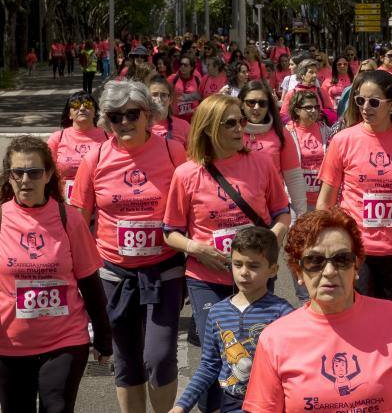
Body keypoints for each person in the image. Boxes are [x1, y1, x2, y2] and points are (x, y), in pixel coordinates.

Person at [163, 95, 290, 412]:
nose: (240, 128)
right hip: (207, 278)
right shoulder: (186, 174)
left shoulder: (260, 163)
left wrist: (270, 242)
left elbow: (282, 214)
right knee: (217, 353)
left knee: (257, 350)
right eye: (230, 123)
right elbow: (170, 233)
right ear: (208, 128)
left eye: (242, 121)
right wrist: (196, 248)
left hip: (254, 274)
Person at [0, 136, 112, 412]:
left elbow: (90, 283)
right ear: (9, 177)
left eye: (34, 172)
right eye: (18, 172)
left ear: (47, 175)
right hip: (10, 344)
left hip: (65, 340)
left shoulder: (68, 219)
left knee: (56, 407)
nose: (25, 179)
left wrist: (104, 337)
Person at [243, 209, 392, 412]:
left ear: (356, 267)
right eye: (314, 261)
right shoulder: (275, 340)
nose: (329, 272)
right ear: (298, 271)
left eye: (341, 259)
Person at [71, 80, 187, 413]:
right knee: (126, 361)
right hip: (113, 274)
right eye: (114, 116)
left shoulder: (172, 152)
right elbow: (79, 221)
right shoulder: (94, 159)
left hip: (163, 269)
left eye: (132, 114)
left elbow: (191, 205)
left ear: (147, 115)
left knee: (159, 356)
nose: (124, 122)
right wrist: (80, 278)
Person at [316, 70, 392, 303]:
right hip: (356, 250)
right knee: (360, 322)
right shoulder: (343, 140)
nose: (365, 107)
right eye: (360, 100)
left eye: (374, 102)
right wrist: (326, 243)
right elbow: (325, 201)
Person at [169, 227, 293, 413]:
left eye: (253, 266)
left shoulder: (284, 314)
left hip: (270, 404)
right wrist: (181, 406)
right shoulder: (217, 313)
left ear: (273, 270)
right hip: (230, 404)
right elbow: (208, 366)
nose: (244, 272)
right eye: (238, 264)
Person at [239, 81, 308, 218]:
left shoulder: (281, 134)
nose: (256, 107)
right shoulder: (231, 132)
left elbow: (293, 176)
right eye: (251, 102)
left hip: (274, 212)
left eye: (262, 103)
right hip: (237, 210)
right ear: (241, 103)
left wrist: (301, 214)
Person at [47, 92, 108, 203]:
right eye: (75, 105)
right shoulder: (57, 138)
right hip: (64, 202)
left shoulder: (108, 137)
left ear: (95, 112)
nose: (82, 108)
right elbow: (46, 172)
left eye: (87, 104)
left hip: (100, 200)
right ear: (69, 114)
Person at [285, 90, 332, 212]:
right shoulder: (287, 133)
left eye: (316, 107)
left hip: (320, 199)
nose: (313, 111)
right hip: (295, 200)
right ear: (297, 110)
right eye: (308, 107)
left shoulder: (326, 130)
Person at [280, 58, 335, 123]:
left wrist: (321, 115)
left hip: (319, 130)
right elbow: (283, 116)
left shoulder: (321, 92)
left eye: (316, 72)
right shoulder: (292, 93)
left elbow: (332, 113)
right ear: (302, 75)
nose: (315, 75)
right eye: (311, 72)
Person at [148, 76, 192, 147]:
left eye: (163, 95)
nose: (159, 99)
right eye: (154, 95)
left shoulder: (184, 126)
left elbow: (193, 155)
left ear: (170, 99)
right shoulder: (142, 127)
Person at [168, 55, 204, 122]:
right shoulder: (173, 79)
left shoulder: (197, 80)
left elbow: (201, 96)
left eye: (185, 65)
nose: (182, 67)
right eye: (181, 64)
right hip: (176, 117)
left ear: (191, 67)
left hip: (193, 118)